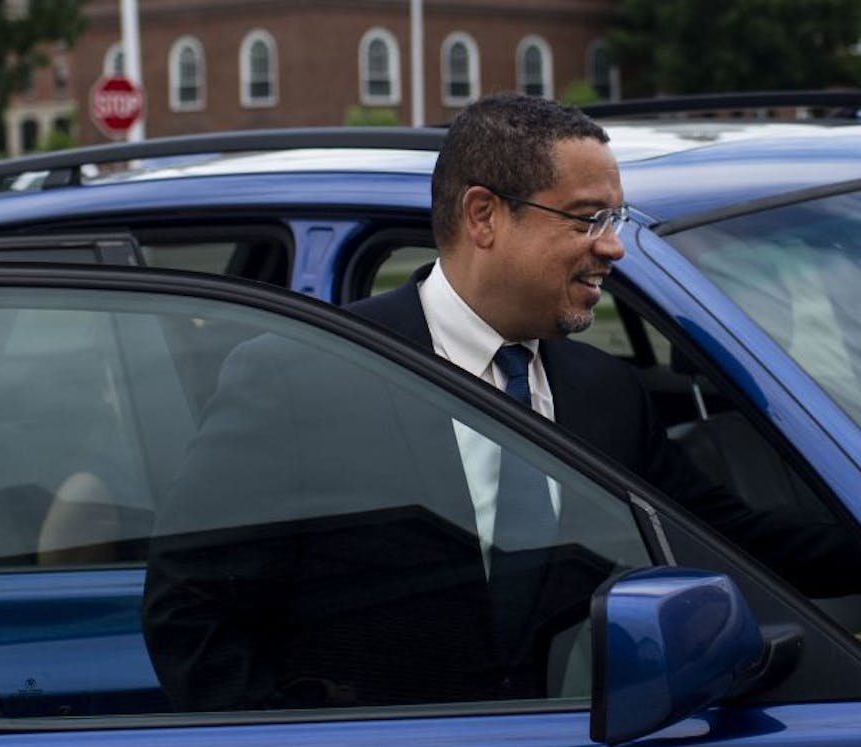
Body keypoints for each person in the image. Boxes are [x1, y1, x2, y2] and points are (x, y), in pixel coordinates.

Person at [143, 93, 858, 714]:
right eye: (586, 219)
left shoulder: (603, 393)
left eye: (615, 217)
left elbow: (744, 548)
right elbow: (192, 617)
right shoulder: (304, 377)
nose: (613, 247)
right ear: (484, 216)